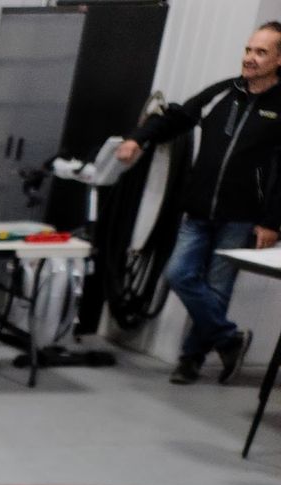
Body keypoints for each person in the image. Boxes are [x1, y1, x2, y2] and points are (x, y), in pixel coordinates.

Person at [117, 24, 281, 384]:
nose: (250, 58)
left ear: (279, 60)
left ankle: (190, 359)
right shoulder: (222, 93)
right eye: (248, 49)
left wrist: (273, 221)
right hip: (198, 209)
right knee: (179, 274)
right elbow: (176, 117)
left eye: (261, 53)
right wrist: (138, 140)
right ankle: (229, 339)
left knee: (218, 287)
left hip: (243, 216)